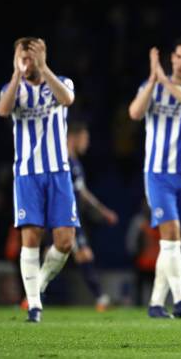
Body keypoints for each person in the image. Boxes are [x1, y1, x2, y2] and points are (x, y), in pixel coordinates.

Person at [128, 36, 181, 318]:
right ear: (172, 57)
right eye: (177, 56)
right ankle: (180, 300)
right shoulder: (152, 87)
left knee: (175, 243)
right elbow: (135, 112)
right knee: (170, 234)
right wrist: (154, 80)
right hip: (158, 173)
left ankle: (155, 303)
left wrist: (165, 81)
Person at [0, 37, 78, 323]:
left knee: (66, 242)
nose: (28, 61)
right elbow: (3, 110)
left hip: (59, 172)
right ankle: (34, 306)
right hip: (27, 174)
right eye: (23, 56)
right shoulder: (12, 89)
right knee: (30, 238)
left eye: (32, 56)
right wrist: (17, 73)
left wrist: (43, 68)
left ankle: (39, 283)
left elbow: (68, 99)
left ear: (42, 56)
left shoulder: (61, 82)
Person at [65, 121, 118, 311]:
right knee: (83, 255)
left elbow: (82, 192)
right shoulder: (61, 161)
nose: (87, 143)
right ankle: (101, 299)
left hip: (73, 216)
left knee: (53, 256)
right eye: (85, 138)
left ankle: (32, 297)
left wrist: (103, 211)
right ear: (73, 137)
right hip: (63, 216)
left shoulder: (76, 163)